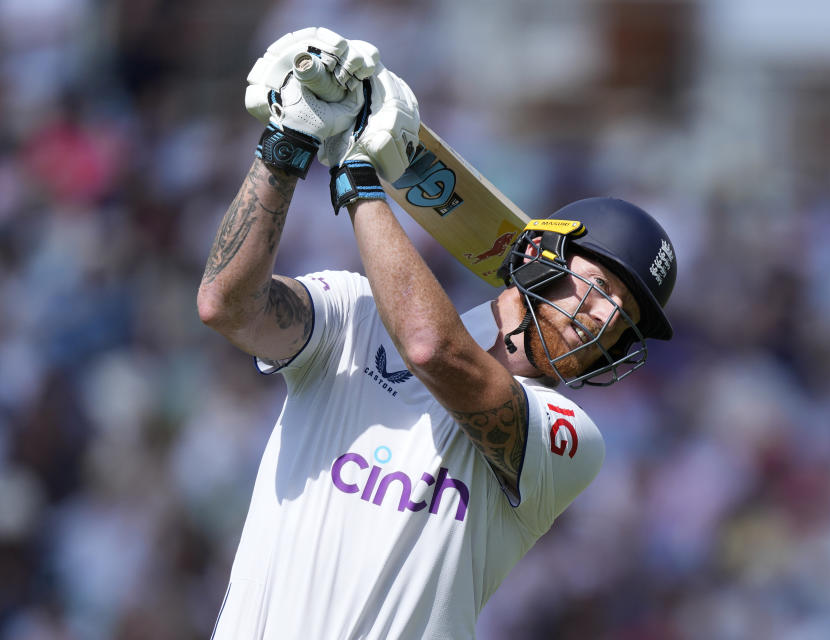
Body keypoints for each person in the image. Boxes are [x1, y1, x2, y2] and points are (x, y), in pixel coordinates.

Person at [197, 27, 677, 640]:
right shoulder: (352, 312)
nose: (606, 318)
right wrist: (287, 142)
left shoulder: (569, 438)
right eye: (602, 285)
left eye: (625, 318)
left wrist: (355, 168)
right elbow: (226, 306)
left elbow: (433, 349)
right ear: (542, 253)